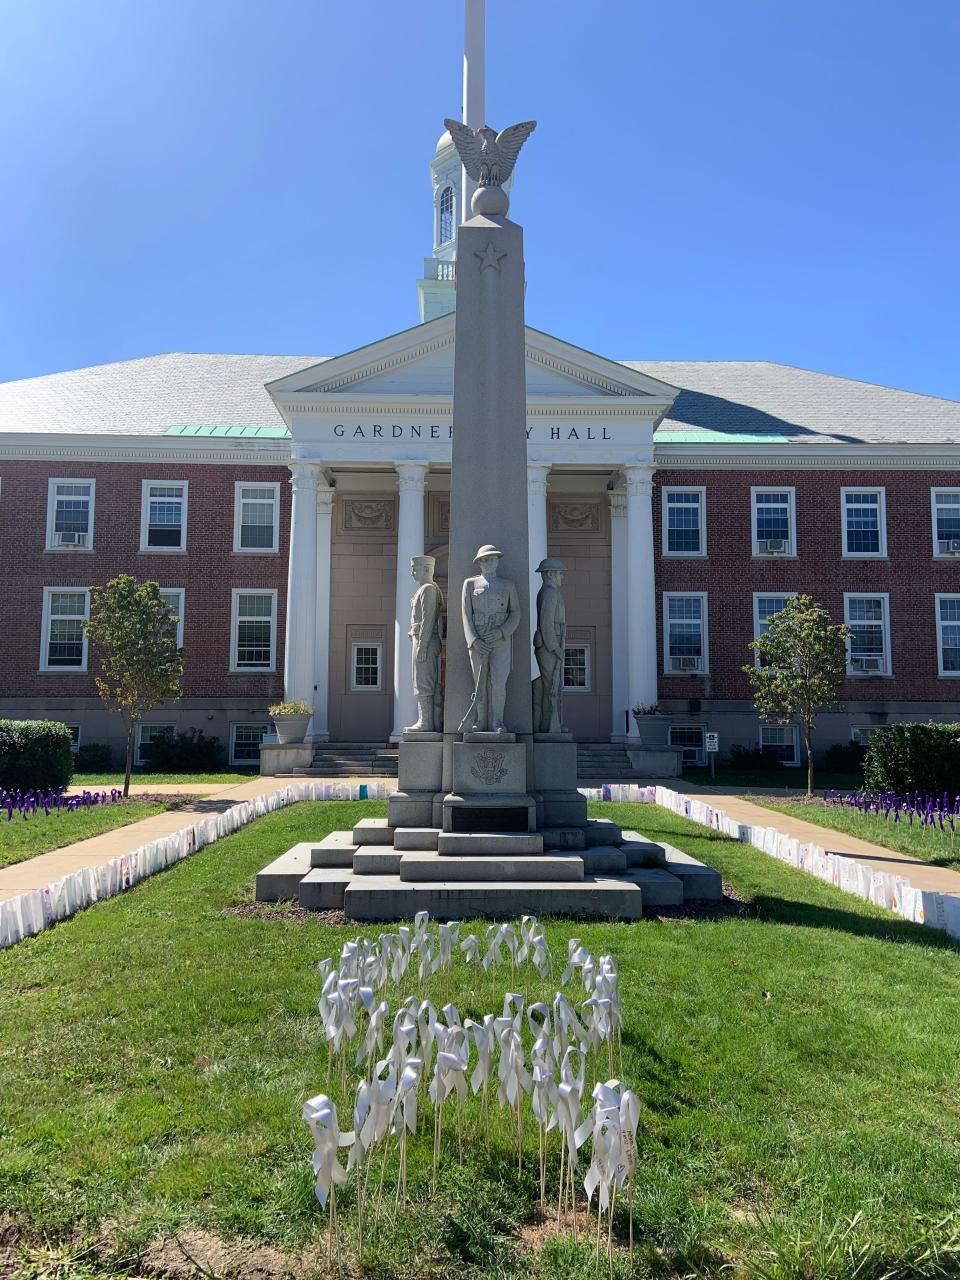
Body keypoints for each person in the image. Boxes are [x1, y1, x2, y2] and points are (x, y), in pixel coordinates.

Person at [460, 544, 521, 733]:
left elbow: (515, 612)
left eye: (493, 559)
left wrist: (502, 631)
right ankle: (480, 720)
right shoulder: (470, 584)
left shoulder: (508, 585)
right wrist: (473, 640)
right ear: (479, 563)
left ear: (498, 561)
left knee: (499, 682)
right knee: (479, 683)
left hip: (500, 641)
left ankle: (498, 721)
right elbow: (466, 614)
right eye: (485, 559)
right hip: (478, 642)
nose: (489, 562)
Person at [404, 555, 443, 732]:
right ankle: (423, 721)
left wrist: (423, 645)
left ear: (427, 569)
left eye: (415, 569)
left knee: (424, 682)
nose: (412, 573)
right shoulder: (423, 589)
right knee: (419, 681)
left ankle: (426, 723)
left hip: (425, 641)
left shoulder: (428, 589)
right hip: (420, 639)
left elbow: (428, 620)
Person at [533, 557, 566, 734]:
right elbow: (546, 624)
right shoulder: (549, 593)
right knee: (550, 687)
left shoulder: (549, 592)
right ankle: (548, 726)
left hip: (550, 644)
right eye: (560, 573)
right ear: (550, 574)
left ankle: (552, 724)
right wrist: (556, 648)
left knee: (552, 687)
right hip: (549, 645)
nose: (562, 577)